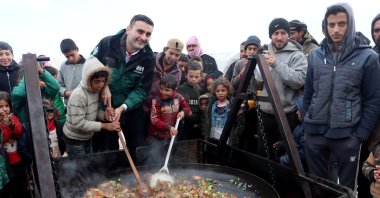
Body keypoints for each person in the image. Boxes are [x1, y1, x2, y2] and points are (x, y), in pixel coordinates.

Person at [303, 3, 380, 189]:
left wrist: (359, 134)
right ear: (325, 26)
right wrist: (308, 124)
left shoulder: (368, 57)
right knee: (317, 186)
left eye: (342, 24)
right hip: (314, 134)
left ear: (351, 24)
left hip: (347, 136)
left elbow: (373, 100)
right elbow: (308, 93)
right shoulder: (315, 56)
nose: (336, 30)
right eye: (331, 25)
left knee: (345, 190)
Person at [91, 14, 155, 156]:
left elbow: (142, 90)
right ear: (128, 29)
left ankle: (137, 176)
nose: (144, 37)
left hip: (131, 109)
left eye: (148, 34)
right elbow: (90, 64)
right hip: (103, 108)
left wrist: (123, 107)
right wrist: (104, 86)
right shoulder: (107, 43)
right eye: (140, 31)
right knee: (106, 152)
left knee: (138, 149)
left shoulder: (149, 58)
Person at [256, 18, 307, 160]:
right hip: (265, 114)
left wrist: (276, 63)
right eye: (275, 33)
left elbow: (299, 81)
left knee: (284, 158)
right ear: (270, 35)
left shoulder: (297, 55)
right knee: (263, 155)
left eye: (283, 33)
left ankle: (283, 183)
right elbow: (259, 80)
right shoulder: (264, 53)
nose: (279, 37)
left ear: (288, 34)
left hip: (286, 116)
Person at [63, 56, 120, 157]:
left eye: (103, 81)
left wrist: (104, 116)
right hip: (75, 139)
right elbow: (78, 123)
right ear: (88, 79)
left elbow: (93, 111)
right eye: (97, 81)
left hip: (87, 136)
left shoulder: (95, 91)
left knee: (88, 165)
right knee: (80, 169)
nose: (100, 85)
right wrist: (105, 126)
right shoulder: (79, 95)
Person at [0, 91, 28, 198]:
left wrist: (11, 126)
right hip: (7, 163)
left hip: (19, 159)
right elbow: (2, 139)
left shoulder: (14, 118)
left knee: (21, 182)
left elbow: (20, 131)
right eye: (1, 106)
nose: (5, 109)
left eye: (7, 106)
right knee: (11, 186)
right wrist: (5, 125)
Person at [148, 74, 190, 142]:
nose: (163, 92)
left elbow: (186, 107)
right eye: (161, 89)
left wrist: (183, 112)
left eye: (167, 90)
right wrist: (168, 127)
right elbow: (154, 119)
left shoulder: (178, 97)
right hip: (156, 136)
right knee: (155, 152)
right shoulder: (156, 100)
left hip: (171, 135)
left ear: (174, 90)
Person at [202, 78, 233, 143]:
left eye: (223, 90)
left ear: (228, 90)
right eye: (218, 91)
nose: (220, 93)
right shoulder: (211, 104)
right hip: (213, 136)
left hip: (226, 137)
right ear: (214, 92)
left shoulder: (231, 104)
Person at [177, 62, 203, 140]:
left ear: (200, 76)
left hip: (197, 126)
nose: (193, 79)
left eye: (196, 76)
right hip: (184, 126)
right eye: (191, 76)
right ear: (186, 75)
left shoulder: (200, 90)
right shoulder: (180, 89)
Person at [58, 38, 86, 105]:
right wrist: (66, 92)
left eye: (72, 55)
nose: (70, 58)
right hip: (70, 105)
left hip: (86, 104)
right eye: (67, 56)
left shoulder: (88, 64)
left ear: (77, 49)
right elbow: (59, 85)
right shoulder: (63, 66)